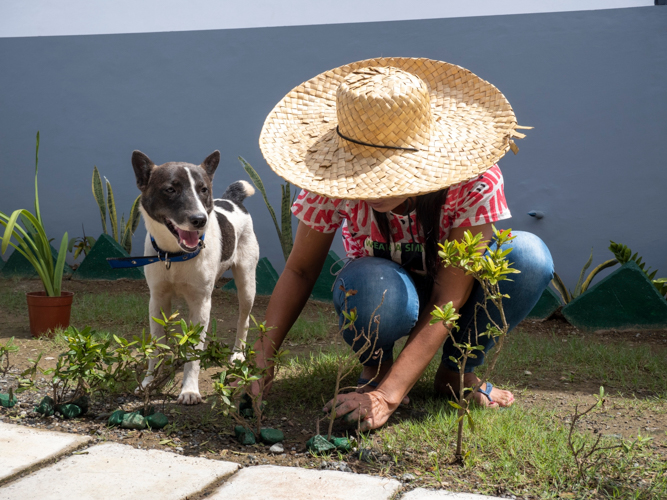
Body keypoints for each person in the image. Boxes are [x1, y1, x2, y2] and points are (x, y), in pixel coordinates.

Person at [252, 57, 553, 431]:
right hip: (385, 288)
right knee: (371, 281)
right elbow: (299, 270)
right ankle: (376, 368)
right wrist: (261, 361)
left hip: (456, 286)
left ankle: (457, 372)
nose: (374, 189)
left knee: (529, 256)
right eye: (362, 172)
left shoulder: (474, 181)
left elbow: (449, 295)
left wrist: (387, 399)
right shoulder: (327, 179)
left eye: (385, 172)